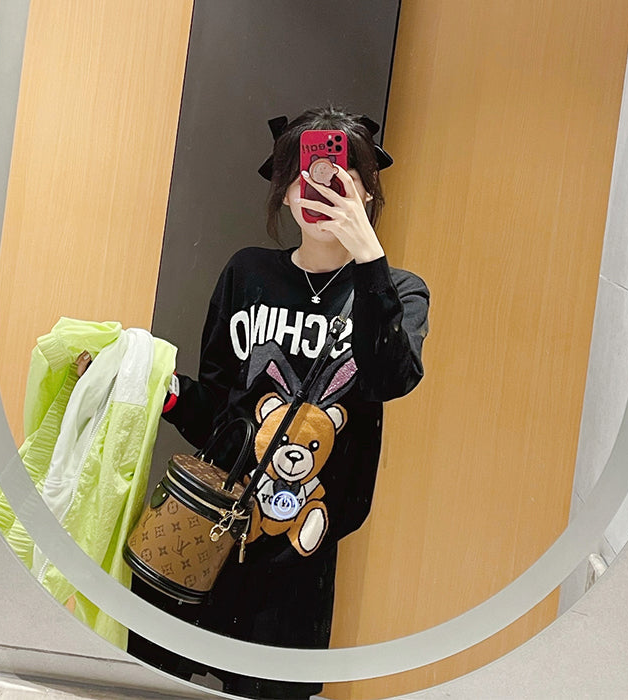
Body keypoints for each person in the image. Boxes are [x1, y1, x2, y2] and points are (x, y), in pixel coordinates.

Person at [128, 106, 430, 700]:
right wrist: (160, 390)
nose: (316, 190)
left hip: (298, 562)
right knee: (154, 681)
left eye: (338, 177)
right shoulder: (247, 273)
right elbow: (221, 415)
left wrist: (369, 258)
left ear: (367, 193)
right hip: (208, 529)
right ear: (283, 191)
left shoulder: (398, 290)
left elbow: (390, 378)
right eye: (300, 176)